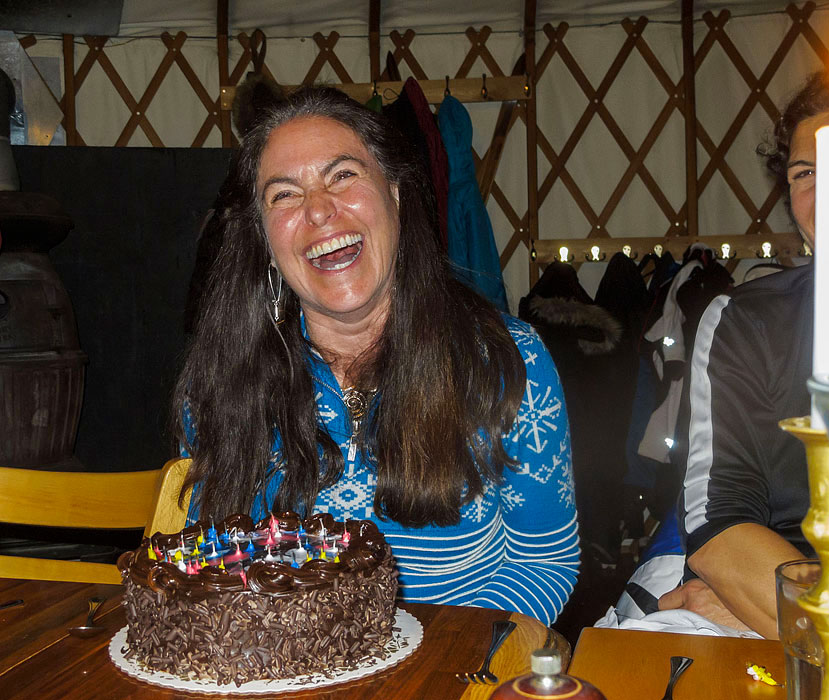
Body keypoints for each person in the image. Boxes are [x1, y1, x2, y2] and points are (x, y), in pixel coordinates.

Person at [172, 86, 580, 626]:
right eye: (284, 195)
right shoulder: (218, 389)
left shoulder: (505, 361)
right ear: (264, 238)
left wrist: (430, 667)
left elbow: (543, 559)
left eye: (343, 175)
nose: (319, 210)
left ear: (394, 193)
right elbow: (211, 574)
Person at [658, 67, 829, 639]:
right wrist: (793, 609)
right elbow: (721, 523)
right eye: (806, 171)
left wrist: (802, 621)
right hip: (783, 584)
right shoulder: (748, 321)